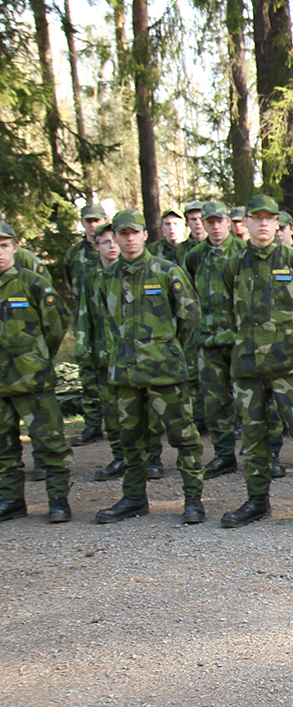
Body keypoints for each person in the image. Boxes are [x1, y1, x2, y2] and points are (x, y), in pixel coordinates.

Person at [218, 194, 293, 528]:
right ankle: (257, 501)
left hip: (290, 365)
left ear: (278, 224)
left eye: (271, 219)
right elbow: (229, 312)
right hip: (249, 366)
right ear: (247, 223)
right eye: (258, 218)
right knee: (253, 437)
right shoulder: (233, 264)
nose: (264, 224)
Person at [91, 210, 207, 525]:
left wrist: (167, 347)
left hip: (164, 370)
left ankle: (193, 498)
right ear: (114, 237)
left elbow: (190, 317)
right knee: (131, 437)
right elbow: (106, 322)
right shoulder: (105, 278)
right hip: (125, 372)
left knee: (183, 435)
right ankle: (133, 498)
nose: (129, 238)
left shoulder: (167, 271)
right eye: (122, 233)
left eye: (134, 232)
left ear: (144, 235)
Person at [0, 221, 72, 523]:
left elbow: (55, 325)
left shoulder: (32, 283)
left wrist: (37, 358)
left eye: (4, 246)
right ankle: (11, 500)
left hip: (32, 378)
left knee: (50, 443)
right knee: (3, 448)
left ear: (16, 247)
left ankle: (58, 501)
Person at [187, 201, 245, 478]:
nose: (214, 226)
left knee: (252, 400)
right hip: (208, 339)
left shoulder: (244, 253)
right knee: (214, 401)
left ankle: (267, 454)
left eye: (219, 220)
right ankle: (224, 455)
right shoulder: (195, 256)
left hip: (239, 338)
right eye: (209, 221)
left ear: (229, 222)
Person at [79, 221, 128, 481]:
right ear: (96, 246)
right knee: (111, 413)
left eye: (114, 240)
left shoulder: (129, 274)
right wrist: (84, 347)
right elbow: (84, 316)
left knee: (143, 414)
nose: (111, 246)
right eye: (106, 242)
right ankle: (120, 457)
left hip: (132, 356)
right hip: (104, 355)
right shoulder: (91, 278)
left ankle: (152, 458)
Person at [64, 202, 109, 448]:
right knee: (88, 372)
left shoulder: (115, 249)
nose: (93, 225)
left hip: (112, 321)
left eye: (97, 220)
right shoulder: (74, 254)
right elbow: (71, 284)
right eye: (89, 221)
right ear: (83, 223)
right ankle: (93, 424)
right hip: (87, 318)